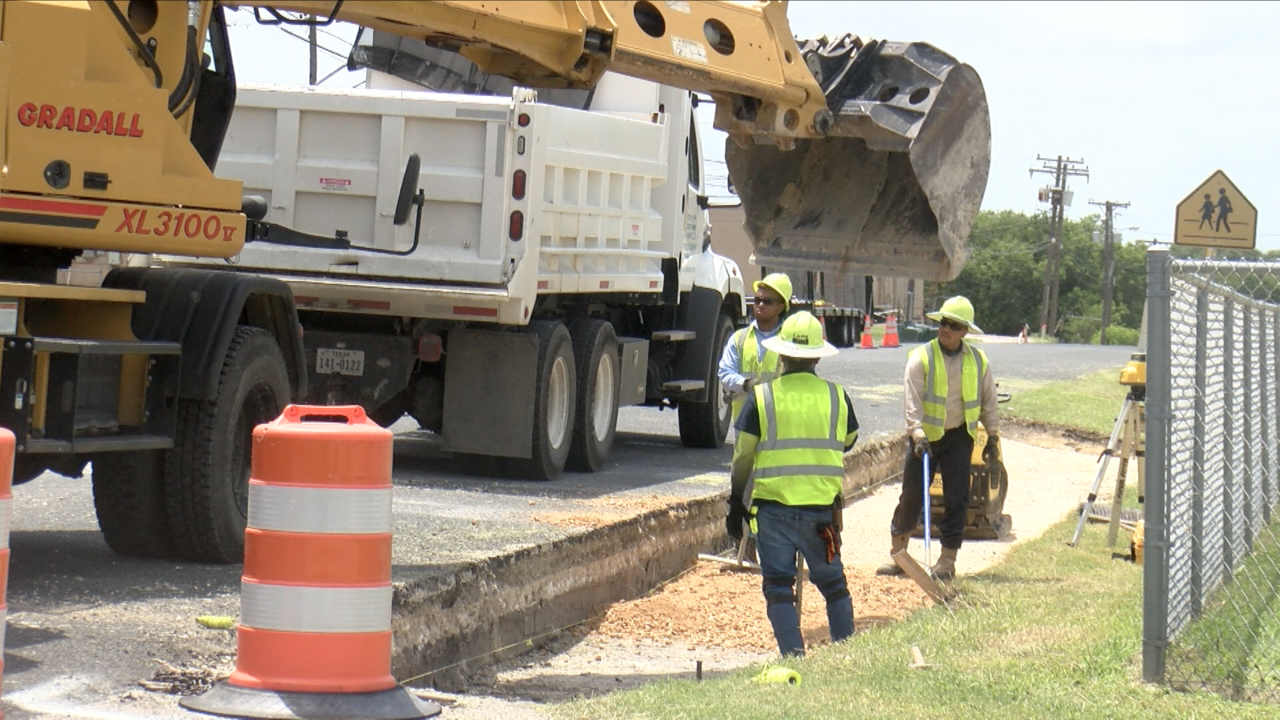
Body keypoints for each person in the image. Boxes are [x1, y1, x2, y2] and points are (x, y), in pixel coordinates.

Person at [725, 311, 859, 657]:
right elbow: (849, 440)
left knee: (779, 588)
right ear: (817, 356)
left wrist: (736, 502)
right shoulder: (837, 396)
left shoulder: (762, 397)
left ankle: (794, 657)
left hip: (773, 512)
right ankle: (847, 656)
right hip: (821, 514)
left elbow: (743, 456)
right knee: (834, 585)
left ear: (781, 355)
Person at [876, 296, 1000, 581]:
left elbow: (988, 401)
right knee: (912, 495)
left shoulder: (978, 361)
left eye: (954, 325)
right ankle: (899, 555)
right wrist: (917, 435)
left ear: (964, 331)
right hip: (925, 438)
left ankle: (947, 561)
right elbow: (912, 404)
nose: (946, 329)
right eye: (943, 323)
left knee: (958, 497)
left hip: (959, 437)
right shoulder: (921, 358)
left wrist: (992, 436)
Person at [718, 273, 791, 429]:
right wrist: (746, 384)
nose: (760, 305)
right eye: (757, 300)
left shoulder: (789, 339)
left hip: (779, 424)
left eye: (767, 301)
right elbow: (725, 373)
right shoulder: (739, 338)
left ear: (781, 306)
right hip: (745, 424)